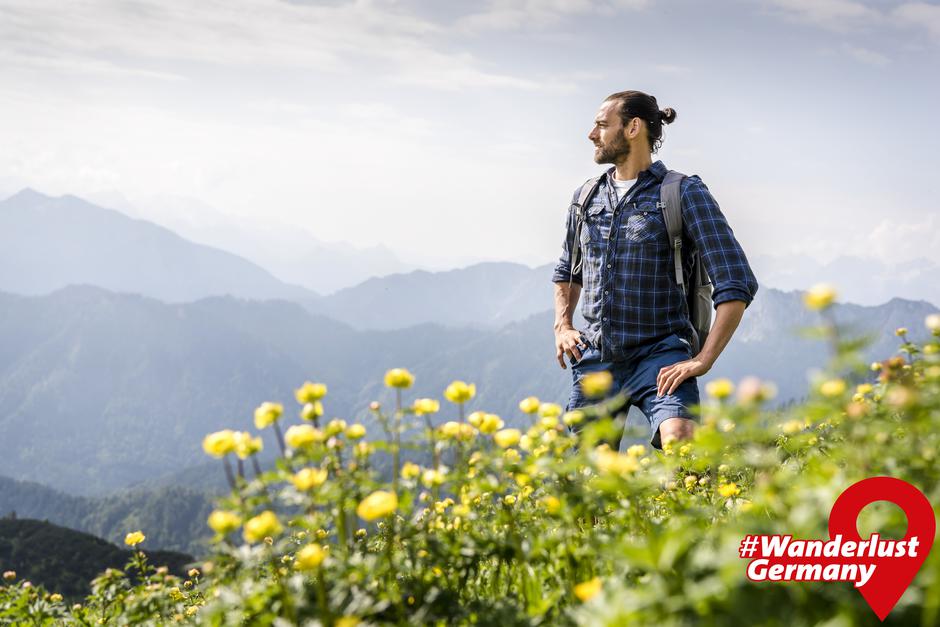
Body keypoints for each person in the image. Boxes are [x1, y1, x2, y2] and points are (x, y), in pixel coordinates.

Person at [551, 90, 758, 450]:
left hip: (662, 353)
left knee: (682, 445)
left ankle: (692, 506)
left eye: (602, 125)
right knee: (592, 482)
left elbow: (735, 281)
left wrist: (703, 360)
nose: (591, 134)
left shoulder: (683, 193)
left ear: (633, 128)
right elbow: (569, 270)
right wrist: (563, 325)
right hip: (597, 355)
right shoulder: (586, 197)